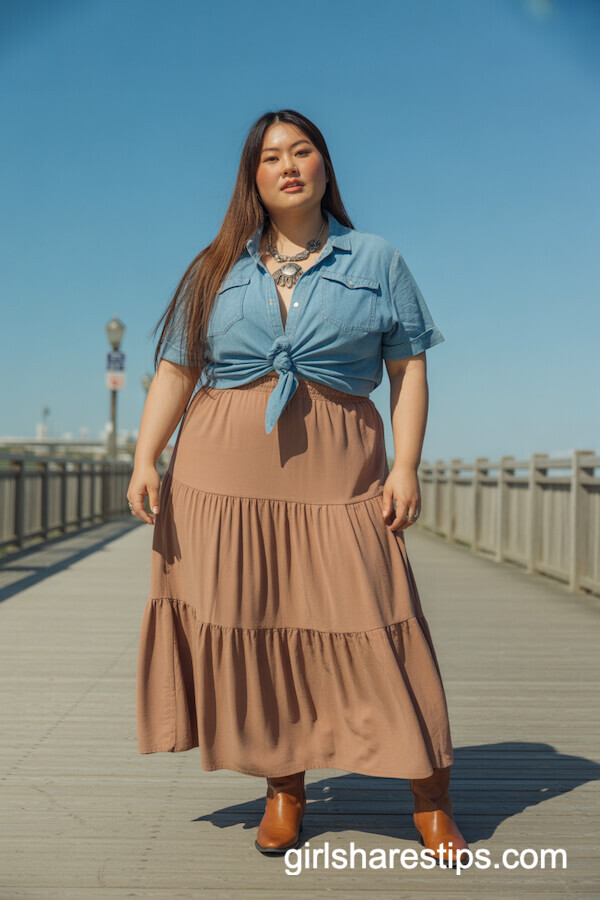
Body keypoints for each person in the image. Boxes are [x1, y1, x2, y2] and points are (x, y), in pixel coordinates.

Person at [128, 108, 469, 867]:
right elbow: (179, 370)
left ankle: (430, 793)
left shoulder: (375, 258)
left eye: (302, 150)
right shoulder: (215, 265)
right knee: (262, 619)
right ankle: (285, 788)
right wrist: (145, 457)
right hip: (223, 476)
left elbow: (408, 369)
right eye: (271, 156)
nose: (288, 164)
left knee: (378, 612)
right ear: (252, 178)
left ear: (323, 166)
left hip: (340, 472)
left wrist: (405, 466)